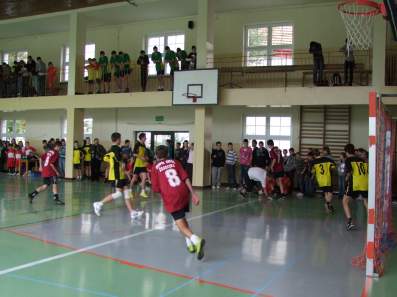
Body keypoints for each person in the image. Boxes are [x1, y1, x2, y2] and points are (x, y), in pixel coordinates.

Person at [151, 145, 205, 260]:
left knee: (179, 224)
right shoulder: (175, 162)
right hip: (184, 192)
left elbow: (155, 189)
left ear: (156, 155)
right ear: (167, 154)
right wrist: (194, 194)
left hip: (172, 196)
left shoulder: (155, 167)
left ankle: (196, 240)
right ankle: (189, 243)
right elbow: (186, 178)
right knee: (182, 218)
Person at [93, 132, 144, 220]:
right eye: (120, 139)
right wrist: (126, 171)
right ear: (117, 139)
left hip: (120, 174)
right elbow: (120, 162)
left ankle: (132, 212)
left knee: (126, 192)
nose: (121, 140)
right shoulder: (116, 149)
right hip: (117, 175)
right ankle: (99, 203)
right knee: (118, 193)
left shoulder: (110, 150)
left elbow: (105, 158)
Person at [28, 141, 64, 205]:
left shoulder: (49, 152)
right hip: (51, 171)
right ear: (57, 146)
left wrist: (41, 167)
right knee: (54, 184)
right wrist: (57, 172)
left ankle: (32, 194)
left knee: (45, 185)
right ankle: (56, 199)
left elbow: (40, 158)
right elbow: (52, 164)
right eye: (60, 147)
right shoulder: (56, 153)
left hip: (45, 170)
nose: (60, 149)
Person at [343, 144, 368, 231]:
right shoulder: (362, 160)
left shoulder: (348, 160)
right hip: (365, 182)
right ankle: (372, 221)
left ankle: (350, 222)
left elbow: (350, 172)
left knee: (345, 201)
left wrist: (346, 179)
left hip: (355, 182)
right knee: (366, 201)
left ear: (346, 152)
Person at [311, 149, 336, 213]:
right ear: (320, 153)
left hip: (320, 179)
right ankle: (327, 203)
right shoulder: (327, 159)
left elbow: (313, 171)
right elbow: (333, 167)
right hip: (327, 178)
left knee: (325, 192)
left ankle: (328, 206)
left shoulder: (313, 162)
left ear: (314, 155)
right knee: (330, 192)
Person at [131, 133, 149, 198]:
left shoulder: (144, 145)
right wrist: (141, 157)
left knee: (144, 177)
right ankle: (130, 190)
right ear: (141, 138)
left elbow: (144, 154)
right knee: (134, 178)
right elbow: (134, 154)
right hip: (137, 164)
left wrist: (146, 158)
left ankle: (143, 192)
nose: (146, 138)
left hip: (143, 164)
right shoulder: (137, 144)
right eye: (145, 137)